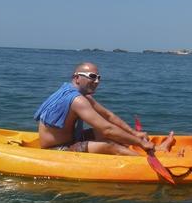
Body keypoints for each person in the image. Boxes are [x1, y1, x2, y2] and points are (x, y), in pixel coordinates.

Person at [34, 62, 175, 155]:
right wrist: (141, 143)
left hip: (72, 139)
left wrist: (134, 134)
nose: (97, 81)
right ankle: (145, 161)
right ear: (76, 78)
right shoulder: (77, 100)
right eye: (92, 77)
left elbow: (109, 116)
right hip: (56, 150)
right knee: (110, 145)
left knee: (109, 133)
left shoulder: (78, 94)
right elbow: (107, 129)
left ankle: (154, 149)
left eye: (98, 77)